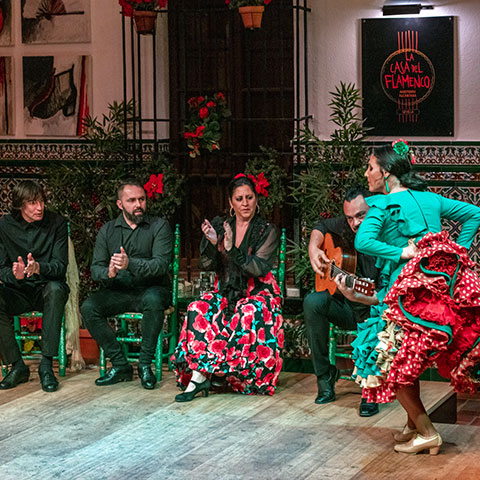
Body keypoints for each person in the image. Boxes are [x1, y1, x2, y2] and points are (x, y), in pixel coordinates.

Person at [350, 139, 480, 455]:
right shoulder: (430, 199)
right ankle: (412, 424)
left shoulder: (381, 205)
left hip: (403, 298)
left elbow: (362, 241)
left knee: (391, 362)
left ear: (387, 171)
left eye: (370, 167)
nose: (367, 174)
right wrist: (454, 254)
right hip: (436, 295)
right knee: (410, 358)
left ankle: (426, 430)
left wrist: (402, 252)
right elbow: (475, 213)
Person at [172, 173, 283, 402]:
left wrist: (231, 249)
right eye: (239, 199)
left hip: (258, 293)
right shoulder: (220, 226)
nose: (245, 203)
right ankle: (199, 375)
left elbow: (258, 269)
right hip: (226, 290)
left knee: (247, 311)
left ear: (256, 199)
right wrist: (214, 244)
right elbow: (207, 265)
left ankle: (228, 374)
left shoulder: (266, 230)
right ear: (231, 203)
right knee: (197, 308)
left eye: (249, 197)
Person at [81, 179, 173, 390]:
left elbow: (160, 265)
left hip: (151, 289)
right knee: (89, 307)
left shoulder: (158, 226)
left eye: (141, 199)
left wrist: (130, 264)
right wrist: (109, 272)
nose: (138, 204)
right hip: (119, 291)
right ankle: (121, 364)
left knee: (153, 299)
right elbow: (96, 269)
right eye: (131, 200)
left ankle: (144, 365)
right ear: (120, 204)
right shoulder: (108, 230)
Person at [303, 187, 381, 417]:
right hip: (345, 306)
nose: (355, 223)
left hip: (371, 305)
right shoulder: (345, 224)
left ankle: (371, 389)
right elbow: (321, 226)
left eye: (360, 215)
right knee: (313, 302)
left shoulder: (384, 235)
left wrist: (360, 293)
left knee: (373, 317)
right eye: (349, 218)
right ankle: (325, 377)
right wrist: (313, 248)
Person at [0, 180, 69, 393]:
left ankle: (46, 366)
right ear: (20, 205)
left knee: (56, 289)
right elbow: (0, 268)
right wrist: (14, 275)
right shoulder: (4, 226)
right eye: (32, 203)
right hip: (18, 290)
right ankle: (17, 365)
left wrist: (38, 267)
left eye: (41, 201)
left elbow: (60, 267)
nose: (39, 207)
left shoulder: (56, 223)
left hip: (46, 288)